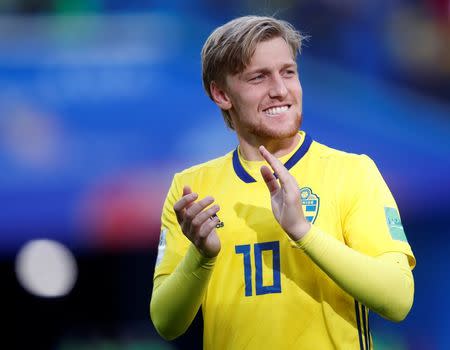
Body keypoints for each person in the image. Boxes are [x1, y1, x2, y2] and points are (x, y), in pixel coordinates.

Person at [150, 15, 415, 349]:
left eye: (288, 72)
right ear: (221, 93)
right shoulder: (191, 189)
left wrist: (303, 232)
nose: (280, 90)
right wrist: (201, 256)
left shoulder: (352, 172)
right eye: (259, 77)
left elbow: (398, 297)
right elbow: (165, 323)